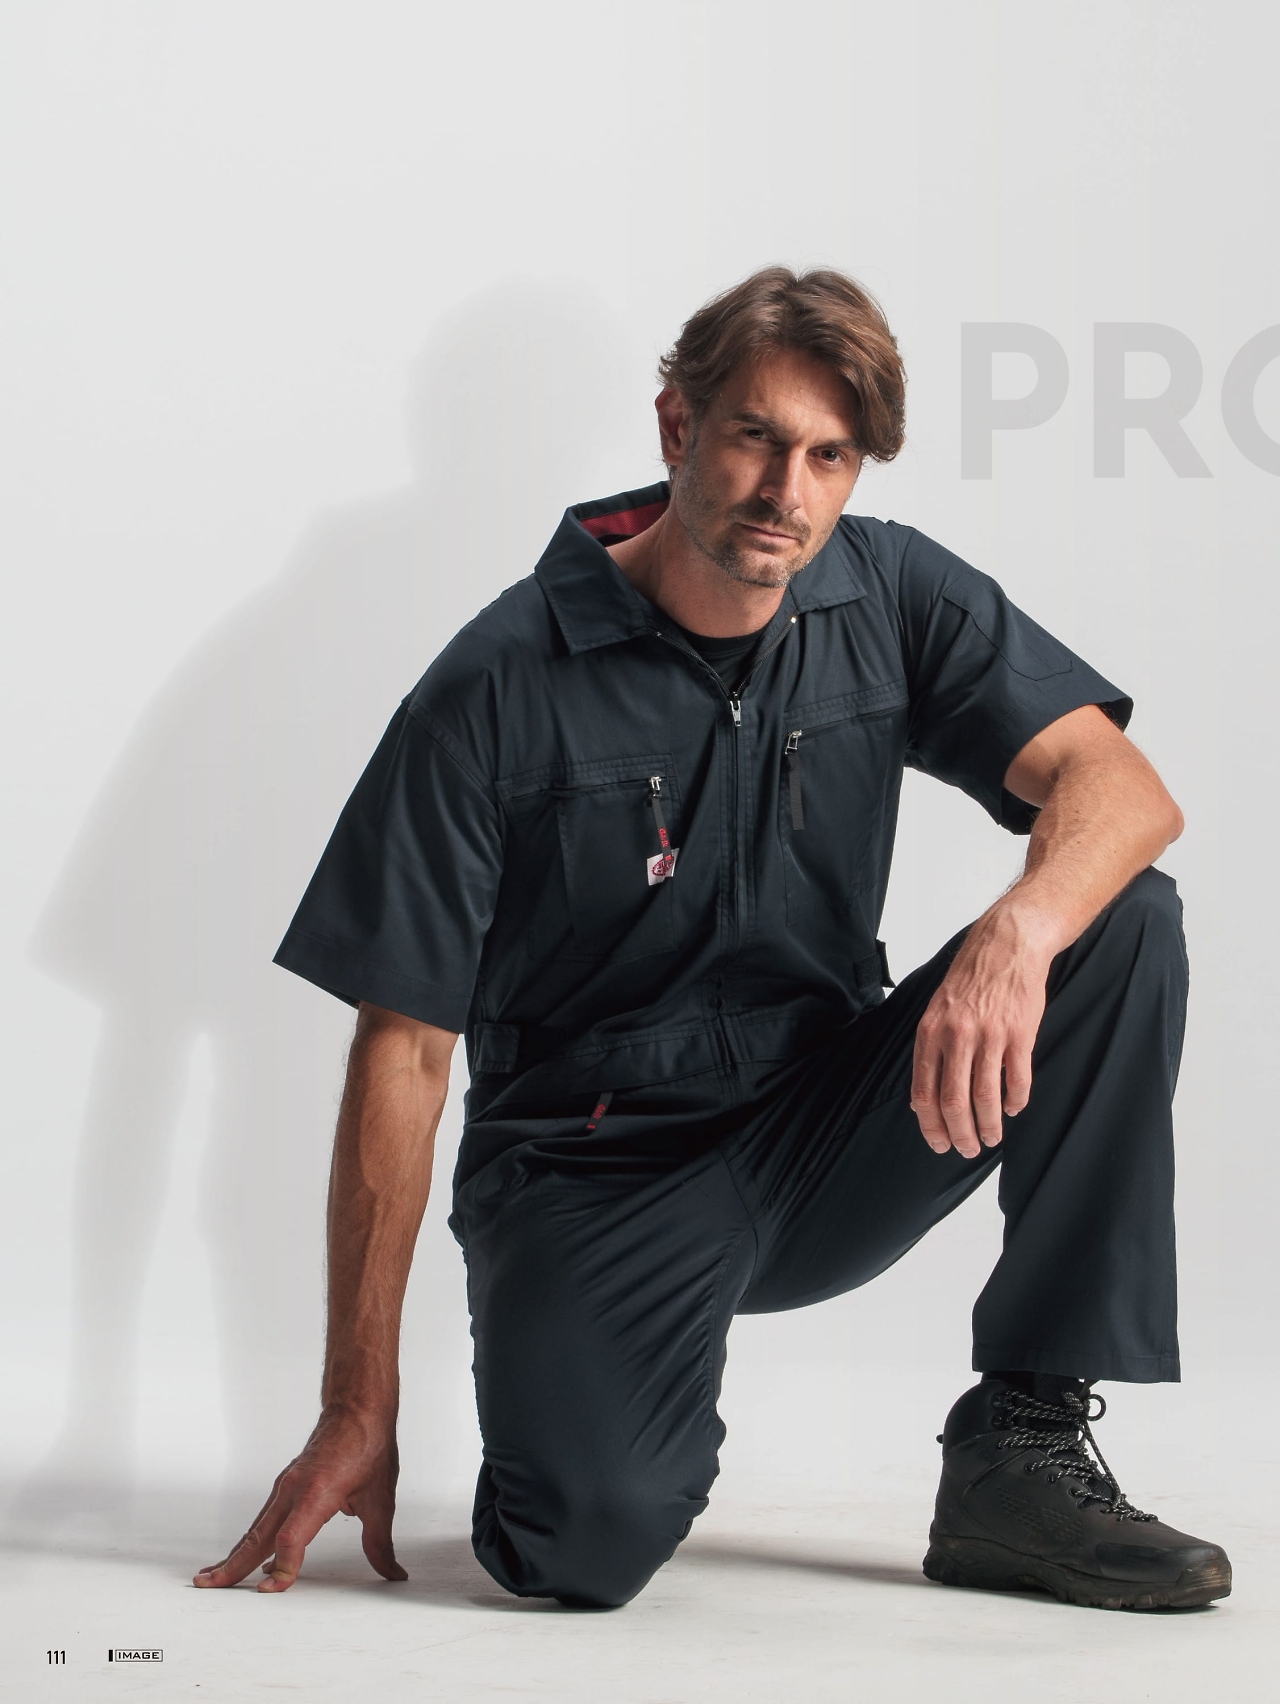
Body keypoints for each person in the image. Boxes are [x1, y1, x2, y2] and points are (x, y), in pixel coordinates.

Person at [194, 267, 1229, 1612]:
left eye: (829, 456)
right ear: (679, 425)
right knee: (580, 1551)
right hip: (596, 1172)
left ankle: (1019, 1453)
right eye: (756, 437)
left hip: (823, 1132)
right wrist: (356, 1402)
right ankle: (590, 1422)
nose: (787, 492)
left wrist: (1020, 930)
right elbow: (403, 1050)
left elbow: (1123, 791)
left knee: (1121, 920)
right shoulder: (496, 685)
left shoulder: (887, 594)